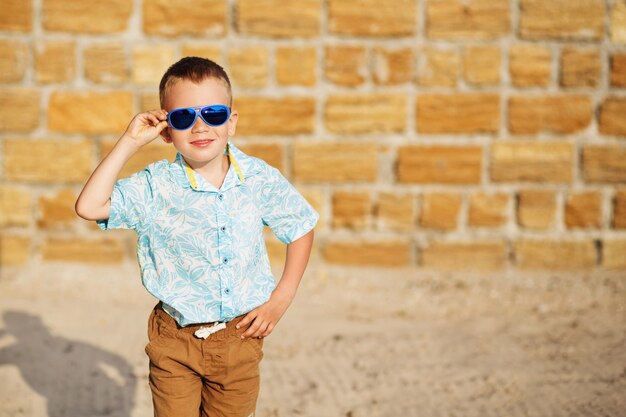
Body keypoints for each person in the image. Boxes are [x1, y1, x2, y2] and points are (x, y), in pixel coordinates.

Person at [75, 56, 319, 417]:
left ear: (231, 122)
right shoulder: (155, 186)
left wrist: (281, 297)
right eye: (184, 117)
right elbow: (90, 207)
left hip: (240, 338)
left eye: (214, 113)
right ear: (166, 130)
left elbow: (300, 226)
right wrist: (129, 142)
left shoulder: (257, 177)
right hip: (174, 340)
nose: (201, 126)